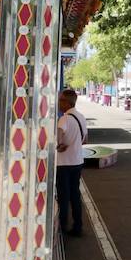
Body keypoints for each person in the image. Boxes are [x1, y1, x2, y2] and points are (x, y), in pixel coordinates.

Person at [55, 87, 88, 237]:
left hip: (64, 163)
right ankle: (78, 226)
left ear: (66, 103)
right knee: (75, 194)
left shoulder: (64, 118)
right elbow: (85, 140)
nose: (58, 103)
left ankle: (62, 226)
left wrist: (59, 143)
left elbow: (60, 132)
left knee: (63, 196)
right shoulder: (81, 116)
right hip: (77, 161)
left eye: (60, 100)